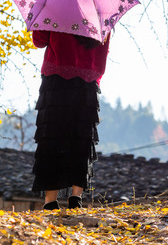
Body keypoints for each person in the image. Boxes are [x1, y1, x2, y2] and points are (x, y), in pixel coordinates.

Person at [31, 30, 110, 210]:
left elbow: (39, 40)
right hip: (87, 80)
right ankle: (76, 197)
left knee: (52, 137)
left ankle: (51, 201)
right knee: (81, 138)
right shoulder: (99, 13)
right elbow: (103, 51)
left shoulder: (56, 6)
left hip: (56, 78)